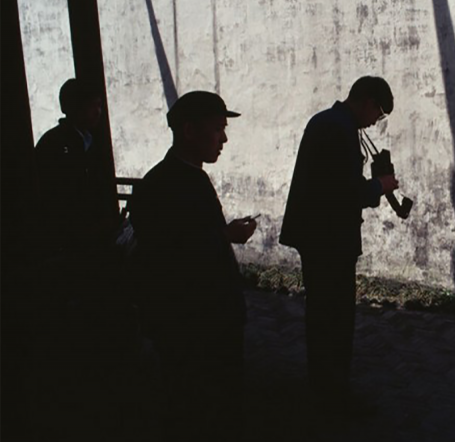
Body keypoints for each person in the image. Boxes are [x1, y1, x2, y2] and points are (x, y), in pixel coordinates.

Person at [129, 91, 257, 442]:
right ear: (189, 130)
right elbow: (168, 257)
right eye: (217, 129)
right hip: (194, 323)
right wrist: (223, 235)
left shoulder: (184, 178)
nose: (224, 139)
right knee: (197, 407)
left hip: (206, 320)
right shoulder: (163, 185)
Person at [279, 76, 399, 410]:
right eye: (378, 112)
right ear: (366, 101)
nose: (376, 121)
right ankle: (332, 394)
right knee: (334, 318)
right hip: (328, 239)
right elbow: (342, 191)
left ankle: (325, 388)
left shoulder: (331, 123)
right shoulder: (337, 128)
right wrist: (380, 186)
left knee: (324, 315)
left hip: (322, 237)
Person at [35, 78, 119, 254]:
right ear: (73, 108)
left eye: (99, 106)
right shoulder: (55, 144)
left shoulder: (89, 140)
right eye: (92, 106)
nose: (98, 112)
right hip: (71, 238)